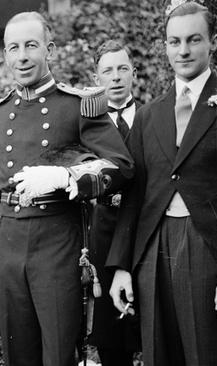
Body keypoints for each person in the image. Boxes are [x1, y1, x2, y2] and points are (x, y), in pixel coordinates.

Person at [0, 12, 134, 366]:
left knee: (59, 354)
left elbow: (122, 165)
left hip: (58, 248)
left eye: (31, 46)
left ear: (49, 49)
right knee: (18, 354)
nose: (22, 57)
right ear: (4, 55)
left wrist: (69, 178)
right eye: (13, 48)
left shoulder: (77, 105)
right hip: (12, 250)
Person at [107, 2, 217, 365]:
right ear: (165, 46)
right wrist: (121, 266)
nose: (183, 50)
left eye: (194, 40)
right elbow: (133, 197)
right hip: (154, 248)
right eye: (175, 41)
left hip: (209, 251)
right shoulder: (149, 115)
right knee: (158, 354)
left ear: (212, 43)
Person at [88, 40, 141, 366]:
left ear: (133, 73)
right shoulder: (89, 126)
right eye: (108, 70)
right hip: (103, 236)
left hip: (145, 232)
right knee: (111, 337)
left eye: (122, 69)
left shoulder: (152, 118)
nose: (116, 77)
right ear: (97, 78)